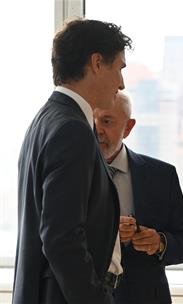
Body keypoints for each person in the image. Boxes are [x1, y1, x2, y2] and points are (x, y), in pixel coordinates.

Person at [13, 19, 132, 304]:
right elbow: (61, 239)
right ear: (97, 63)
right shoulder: (71, 129)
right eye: (119, 68)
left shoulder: (47, 119)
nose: (121, 83)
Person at [94, 91, 183, 304]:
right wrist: (111, 235)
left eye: (106, 121)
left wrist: (159, 242)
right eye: (92, 120)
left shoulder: (161, 175)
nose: (97, 130)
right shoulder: (72, 175)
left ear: (128, 127)